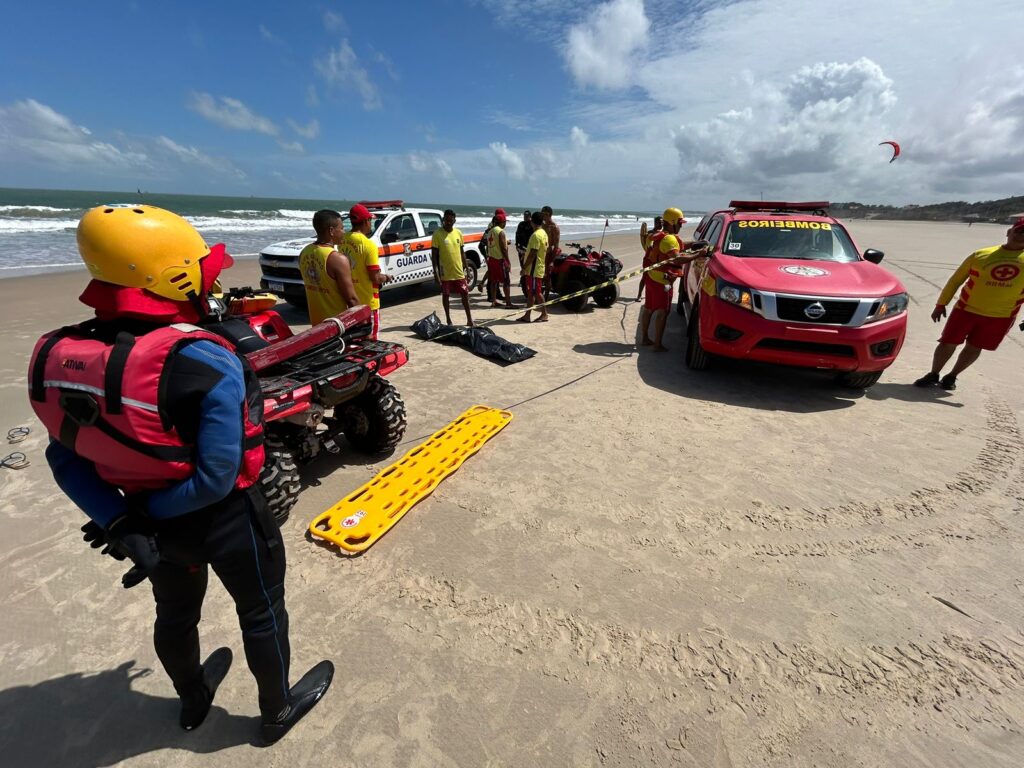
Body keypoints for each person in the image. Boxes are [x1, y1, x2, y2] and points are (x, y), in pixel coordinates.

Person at [28, 205, 333, 746]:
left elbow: (64, 459)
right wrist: (141, 518)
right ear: (175, 276)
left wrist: (122, 521)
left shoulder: (63, 355)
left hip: (147, 526)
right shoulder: (205, 359)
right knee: (260, 611)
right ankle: (276, 708)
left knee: (175, 613)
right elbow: (217, 476)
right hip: (225, 518)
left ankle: (192, 699)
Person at [914, 218, 1024, 391]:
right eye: (1018, 231)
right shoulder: (981, 255)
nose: (1021, 236)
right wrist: (941, 304)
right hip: (965, 310)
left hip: (1001, 316)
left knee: (975, 347)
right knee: (947, 342)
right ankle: (934, 373)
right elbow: (956, 281)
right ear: (1009, 232)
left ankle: (952, 376)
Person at [638, 207, 704, 351]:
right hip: (662, 281)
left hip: (651, 277)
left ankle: (644, 338)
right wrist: (698, 254)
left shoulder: (657, 235)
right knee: (663, 312)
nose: (681, 226)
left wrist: (693, 245)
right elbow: (678, 258)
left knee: (648, 308)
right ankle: (657, 345)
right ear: (673, 222)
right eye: (680, 223)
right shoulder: (669, 239)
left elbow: (675, 247)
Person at [299, 209, 360, 324]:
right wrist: (363, 323)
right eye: (341, 228)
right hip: (336, 326)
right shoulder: (337, 259)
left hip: (316, 325)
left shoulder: (304, 252)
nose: (344, 232)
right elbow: (351, 299)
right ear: (331, 231)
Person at [342, 203, 391, 339]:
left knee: (354, 339)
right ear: (365, 221)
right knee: (371, 340)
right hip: (368, 302)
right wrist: (386, 277)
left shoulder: (342, 240)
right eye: (371, 220)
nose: (371, 224)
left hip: (349, 301)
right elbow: (375, 277)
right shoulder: (368, 245)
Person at [431, 208, 474, 326]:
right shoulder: (437, 234)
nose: (448, 222)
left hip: (458, 272)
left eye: (451, 220)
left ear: (454, 220)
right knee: (446, 296)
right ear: (443, 220)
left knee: (465, 294)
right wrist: (436, 274)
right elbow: (434, 257)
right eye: (446, 220)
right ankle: (448, 320)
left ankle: (469, 319)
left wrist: (467, 269)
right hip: (445, 274)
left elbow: (462, 253)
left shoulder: (458, 233)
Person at [517, 211, 550, 323]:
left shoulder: (536, 235)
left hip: (534, 269)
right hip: (536, 267)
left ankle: (544, 314)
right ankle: (527, 315)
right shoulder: (543, 233)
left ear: (532, 222)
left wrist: (524, 267)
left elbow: (533, 254)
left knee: (536, 292)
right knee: (531, 292)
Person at [487, 208, 514, 309]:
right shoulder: (501, 232)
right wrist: (508, 261)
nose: (505, 224)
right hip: (500, 260)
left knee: (494, 281)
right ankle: (508, 302)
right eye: (505, 222)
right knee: (506, 281)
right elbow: (503, 248)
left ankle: (494, 301)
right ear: (502, 222)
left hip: (491, 259)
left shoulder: (490, 231)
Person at [637, 215, 663, 301]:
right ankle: (639, 295)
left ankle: (654, 295)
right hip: (648, 259)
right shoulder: (650, 233)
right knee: (644, 277)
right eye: (659, 222)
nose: (661, 224)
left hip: (658, 259)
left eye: (662, 222)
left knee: (657, 278)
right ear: (655, 223)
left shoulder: (663, 233)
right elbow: (648, 245)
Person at [541, 205, 560, 295]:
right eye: (542, 214)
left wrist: (552, 260)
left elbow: (556, 246)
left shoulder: (554, 227)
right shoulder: (542, 225)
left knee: (547, 275)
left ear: (549, 214)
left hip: (549, 253)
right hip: (542, 253)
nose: (542, 216)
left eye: (544, 214)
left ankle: (546, 296)